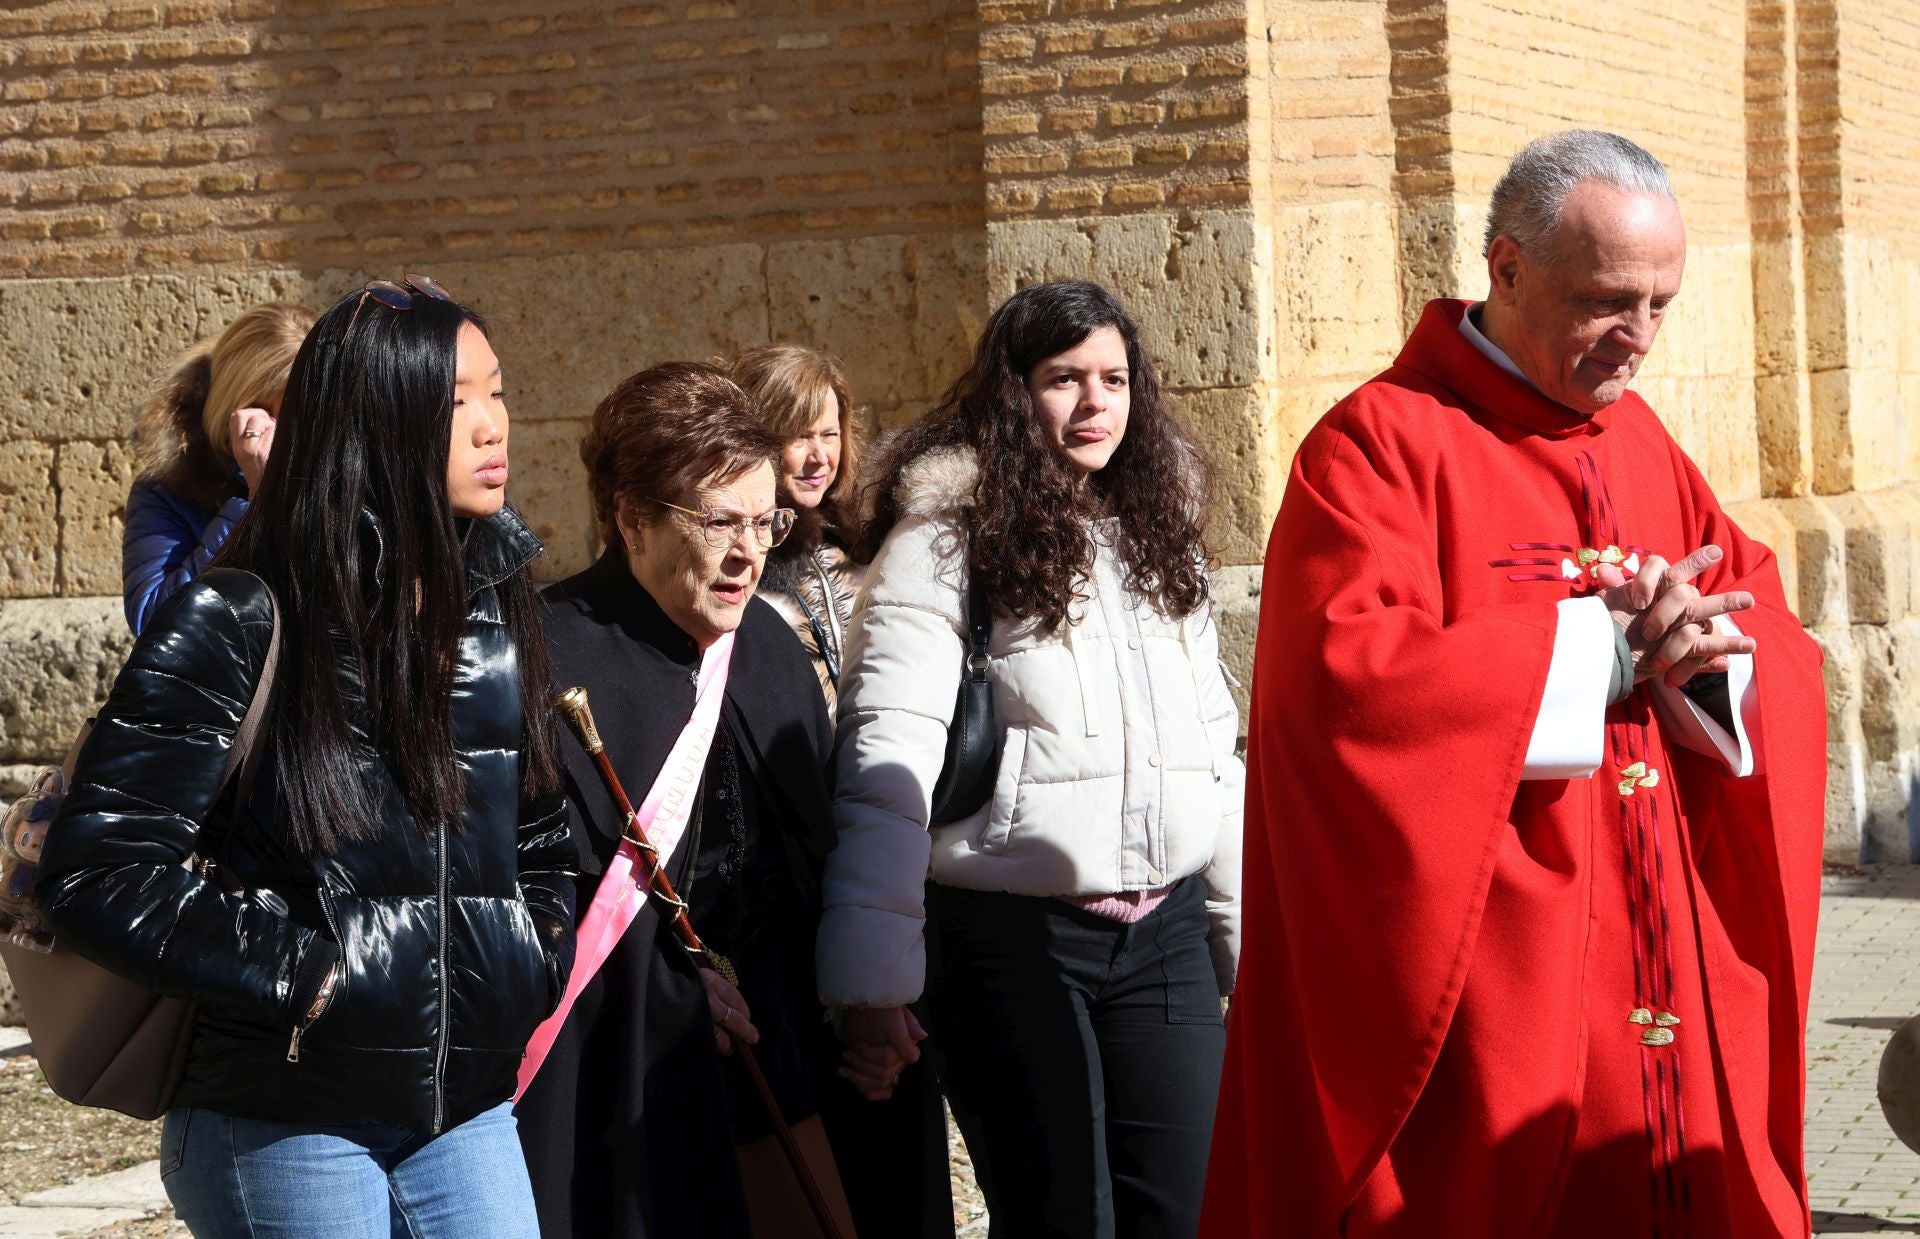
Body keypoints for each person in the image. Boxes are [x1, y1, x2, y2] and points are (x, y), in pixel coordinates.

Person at [1202, 131, 1828, 1237]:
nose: (1637, 341)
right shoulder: (1376, 449)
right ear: (1506, 269)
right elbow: (1346, 689)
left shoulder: (1644, 448)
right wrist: (1602, 653)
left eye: (1661, 305)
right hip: (1492, 987)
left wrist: (1706, 662)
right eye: (1606, 302)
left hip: (1656, 949)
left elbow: (1757, 610)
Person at [38, 276, 576, 1238]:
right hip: (282, 1114)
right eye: (457, 404)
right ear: (377, 421)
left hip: (465, 1109)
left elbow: (535, 824)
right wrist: (308, 974)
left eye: (497, 393)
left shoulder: (498, 603)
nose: (493, 426)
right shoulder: (242, 614)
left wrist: (529, 956)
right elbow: (101, 871)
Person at [819, 280, 1244, 1237]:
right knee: (1062, 1220)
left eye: (1115, 378)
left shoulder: (1159, 538)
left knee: (1189, 1213)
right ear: (1015, 393)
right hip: (1010, 939)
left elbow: (1215, 755)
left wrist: (1241, 942)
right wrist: (874, 985)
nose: (1097, 404)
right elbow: (887, 761)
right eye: (1065, 379)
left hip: (1165, 935)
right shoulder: (942, 546)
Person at [516, 362, 857, 1239]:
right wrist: (661, 991)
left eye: (766, 520)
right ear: (631, 518)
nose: (751, 552)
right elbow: (531, 910)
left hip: (779, 1046)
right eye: (720, 523)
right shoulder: (546, 661)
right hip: (630, 1071)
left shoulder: (769, 647)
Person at [123, 301, 315, 634]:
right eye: (277, 419)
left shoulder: (347, 471)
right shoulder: (170, 487)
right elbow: (151, 620)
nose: (290, 441)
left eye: (307, 418)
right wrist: (254, 500)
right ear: (237, 410)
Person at [733, 344, 866, 713]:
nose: (820, 457)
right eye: (800, 436)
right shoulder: (737, 555)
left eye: (829, 434)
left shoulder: (861, 541)